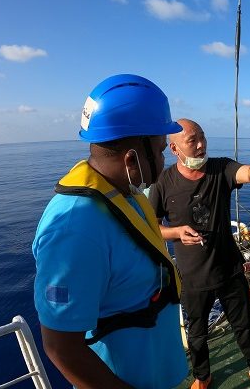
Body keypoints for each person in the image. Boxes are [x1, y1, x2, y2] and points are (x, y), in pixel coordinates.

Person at [32, 74, 189, 388]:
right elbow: (62, 347)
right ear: (132, 159)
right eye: (160, 150)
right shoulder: (74, 229)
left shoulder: (126, 195)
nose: (164, 159)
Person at [149, 119, 250, 389]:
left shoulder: (220, 168)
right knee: (197, 333)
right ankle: (202, 377)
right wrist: (176, 232)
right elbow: (152, 226)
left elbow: (249, 173)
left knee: (243, 325)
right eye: (192, 140)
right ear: (174, 149)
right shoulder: (163, 182)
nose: (201, 145)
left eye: (202, 137)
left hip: (229, 268)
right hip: (192, 277)